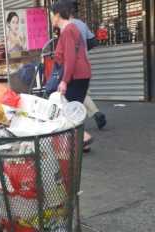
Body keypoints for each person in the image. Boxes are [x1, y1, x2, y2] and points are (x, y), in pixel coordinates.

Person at [51, 1, 93, 152]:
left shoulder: (68, 30)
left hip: (76, 76)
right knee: (72, 109)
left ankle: (84, 138)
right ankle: (81, 142)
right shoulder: (69, 29)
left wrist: (64, 81)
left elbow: (70, 58)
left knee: (67, 109)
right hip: (81, 74)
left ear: (57, 15)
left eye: (51, 14)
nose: (51, 18)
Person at [68, 1, 107, 130]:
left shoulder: (66, 25)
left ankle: (75, 124)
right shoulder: (82, 24)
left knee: (73, 92)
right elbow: (93, 41)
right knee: (82, 91)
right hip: (84, 61)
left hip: (72, 63)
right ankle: (95, 114)